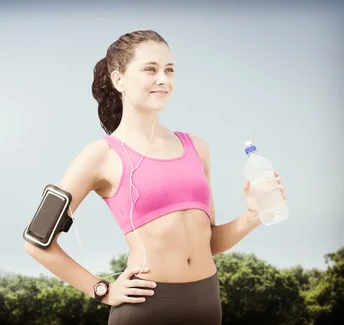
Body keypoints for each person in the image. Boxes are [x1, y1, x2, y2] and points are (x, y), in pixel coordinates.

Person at [24, 30, 286, 324]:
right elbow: (37, 243)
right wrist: (102, 289)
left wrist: (255, 214)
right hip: (146, 307)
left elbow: (208, 243)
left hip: (207, 303)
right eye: (150, 69)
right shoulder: (100, 155)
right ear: (118, 79)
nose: (164, 79)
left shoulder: (196, 147)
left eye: (169, 70)